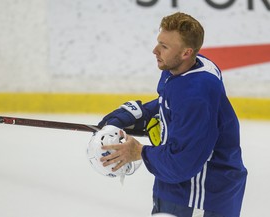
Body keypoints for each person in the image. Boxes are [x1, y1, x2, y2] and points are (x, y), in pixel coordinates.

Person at [98, 12, 247, 217]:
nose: (155, 50)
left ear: (186, 53)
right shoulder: (185, 67)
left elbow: (181, 164)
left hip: (200, 198)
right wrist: (133, 114)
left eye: (164, 47)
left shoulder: (196, 95)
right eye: (159, 42)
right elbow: (170, 104)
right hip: (179, 190)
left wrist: (139, 152)